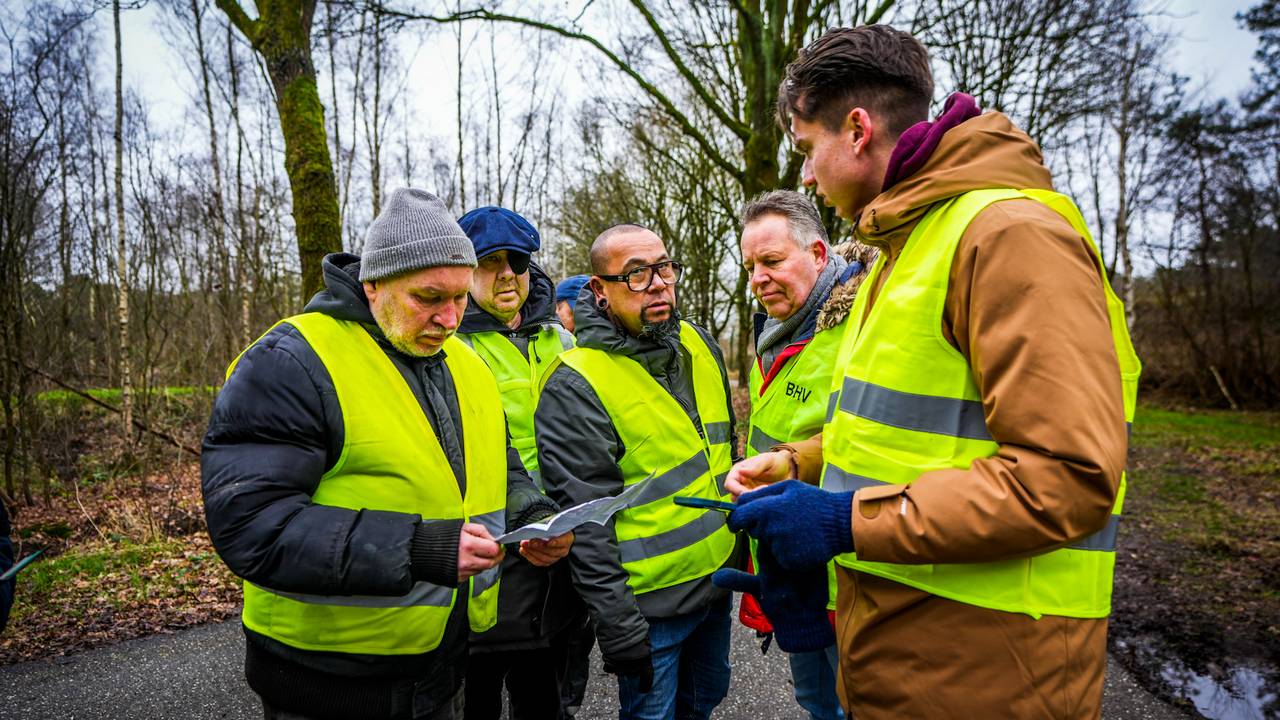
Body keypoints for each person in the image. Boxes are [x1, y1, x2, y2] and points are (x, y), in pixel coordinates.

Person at [722, 25, 1140, 719]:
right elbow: (903, 435)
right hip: (909, 659)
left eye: (805, 151)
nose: (804, 176)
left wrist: (843, 521)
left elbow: (1068, 477)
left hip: (993, 674)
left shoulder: (1008, 236)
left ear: (856, 129)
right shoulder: (902, 250)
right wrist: (801, 466)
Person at [202, 188, 572, 720]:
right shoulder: (293, 361)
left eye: (461, 298)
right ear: (372, 284)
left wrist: (533, 516)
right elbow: (252, 525)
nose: (449, 318)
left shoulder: (465, 363)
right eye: (428, 297)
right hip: (328, 682)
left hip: (441, 665)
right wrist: (423, 548)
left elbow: (499, 464)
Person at [534, 224, 742, 720]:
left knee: (705, 701)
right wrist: (620, 628)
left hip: (715, 587)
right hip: (651, 612)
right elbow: (585, 522)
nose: (657, 283)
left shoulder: (697, 342)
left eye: (664, 267)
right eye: (635, 274)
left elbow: (722, 456)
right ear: (599, 290)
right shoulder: (576, 382)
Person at [727, 190, 871, 720]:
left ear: (817, 253)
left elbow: (874, 442)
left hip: (849, 572)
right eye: (750, 267)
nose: (758, 278)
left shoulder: (858, 331)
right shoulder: (780, 335)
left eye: (771, 261)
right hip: (796, 567)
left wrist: (790, 463)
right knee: (815, 701)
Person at [454, 206, 585, 720]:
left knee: (546, 698)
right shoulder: (450, 346)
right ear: (466, 270)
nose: (508, 274)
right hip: (492, 553)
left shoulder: (561, 337)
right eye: (491, 262)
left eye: (518, 261)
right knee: (476, 698)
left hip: (558, 550)